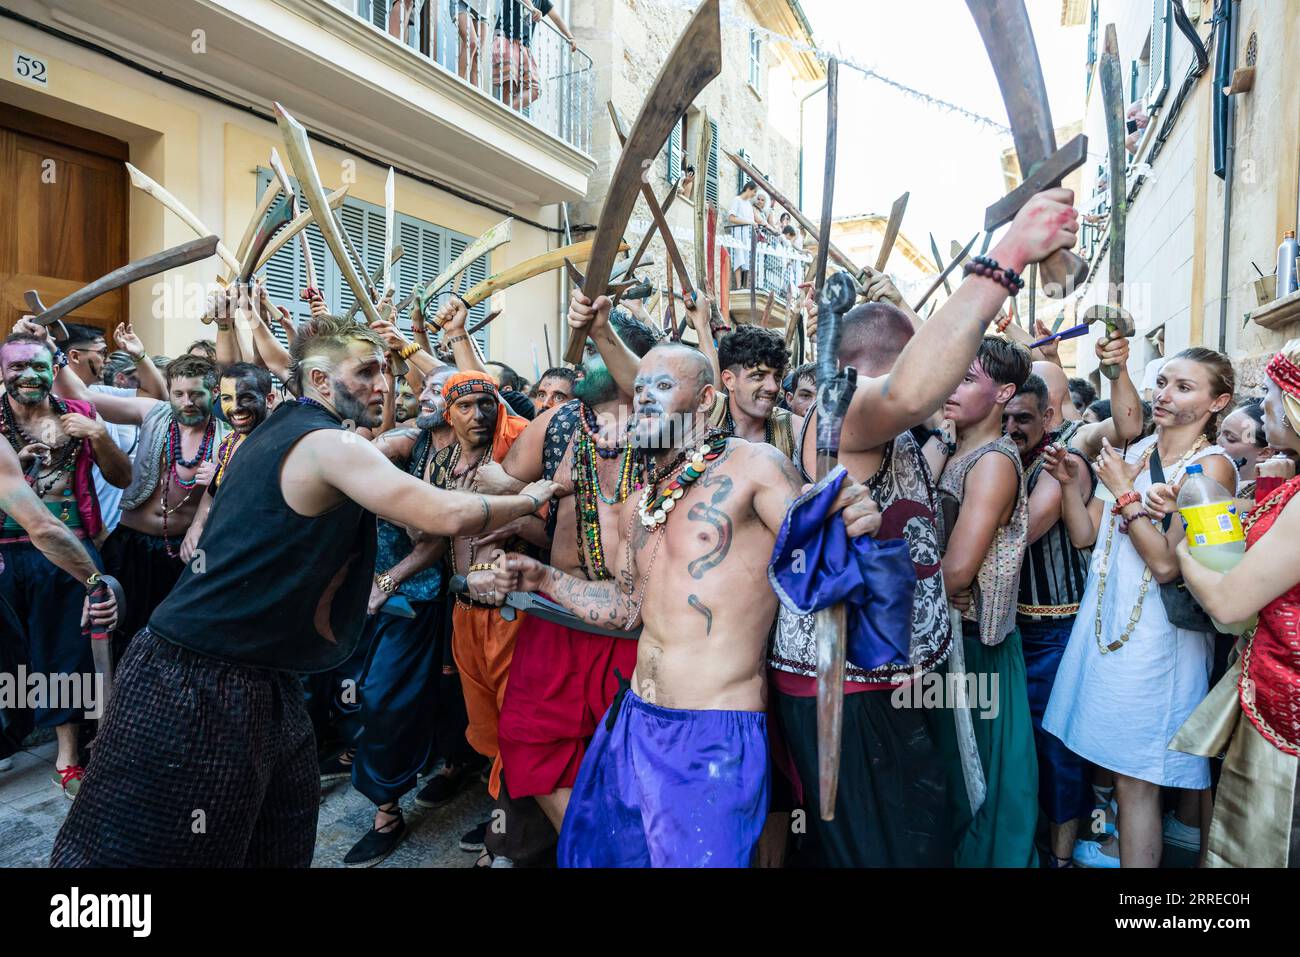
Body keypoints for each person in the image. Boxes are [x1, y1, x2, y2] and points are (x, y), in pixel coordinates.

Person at [50, 315, 559, 867]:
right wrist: (535, 495)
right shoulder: (324, 444)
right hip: (197, 674)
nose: (383, 385)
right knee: (159, 851)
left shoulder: (285, 427)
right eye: (365, 373)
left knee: (278, 831)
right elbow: (448, 511)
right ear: (319, 382)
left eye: (385, 371)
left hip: (262, 674)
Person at [493, 302, 883, 867]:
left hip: (713, 735)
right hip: (634, 720)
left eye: (661, 385)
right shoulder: (647, 494)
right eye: (639, 386)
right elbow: (626, 608)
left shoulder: (754, 466)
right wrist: (541, 576)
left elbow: (823, 559)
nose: (642, 395)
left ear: (705, 400)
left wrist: (852, 521)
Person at [1043, 348, 1238, 868]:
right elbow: (1085, 535)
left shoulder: (1211, 465)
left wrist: (1126, 493)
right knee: (1114, 763)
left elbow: (1169, 566)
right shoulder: (1139, 446)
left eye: (1184, 387)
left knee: (1137, 778)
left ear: (1218, 402)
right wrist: (1067, 483)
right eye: (1164, 382)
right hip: (1108, 623)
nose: (1165, 395)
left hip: (1159, 640)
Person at [486, 311, 656, 862]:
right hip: (557, 614)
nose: (582, 360)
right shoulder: (560, 421)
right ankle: (591, 849)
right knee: (529, 741)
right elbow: (499, 480)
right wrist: (516, 515)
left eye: (596, 351)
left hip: (637, 627)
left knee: (632, 759)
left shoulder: (670, 428)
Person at [1003, 343, 1141, 868]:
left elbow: (1127, 425)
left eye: (1024, 415)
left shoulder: (1069, 448)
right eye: (1005, 414)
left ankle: (1061, 857)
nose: (1013, 425)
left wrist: (1116, 368)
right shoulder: (989, 451)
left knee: (1058, 751)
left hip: (1058, 630)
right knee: (1019, 750)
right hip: (1006, 632)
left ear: (1050, 413)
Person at [1168, 339, 1300, 867]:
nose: (1263, 404)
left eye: (1270, 392)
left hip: (1287, 714)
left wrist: (1183, 547)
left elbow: (1227, 604)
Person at [0, 330, 131, 798]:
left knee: (67, 655)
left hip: (69, 551)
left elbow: (123, 478)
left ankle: (68, 758)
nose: (29, 375)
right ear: (3, 372)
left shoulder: (77, 415)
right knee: (10, 656)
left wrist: (98, 435)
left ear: (54, 367)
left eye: (38, 365)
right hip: (6, 553)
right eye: (17, 366)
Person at [927, 336, 1039, 868]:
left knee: (980, 784)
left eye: (966, 378)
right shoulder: (955, 450)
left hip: (976, 648)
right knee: (953, 778)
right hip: (948, 640)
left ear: (1005, 393)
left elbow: (956, 571)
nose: (950, 386)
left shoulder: (993, 462)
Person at [52, 348, 231, 658]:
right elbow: (82, 396)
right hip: (129, 546)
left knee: (174, 642)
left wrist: (221, 478)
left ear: (214, 392)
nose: (186, 402)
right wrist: (55, 352)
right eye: (179, 393)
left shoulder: (228, 440)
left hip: (181, 554)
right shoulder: (153, 412)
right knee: (114, 631)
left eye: (196, 394)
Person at [177, 362, 276, 562]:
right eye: (227, 398)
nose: (236, 408)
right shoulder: (228, 443)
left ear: (270, 399)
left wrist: (228, 478)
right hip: (223, 548)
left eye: (246, 398)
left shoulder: (278, 442)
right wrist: (196, 526)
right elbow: (212, 491)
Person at [709, 324, 799, 457]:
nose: (773, 387)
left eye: (777, 377)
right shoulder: (702, 417)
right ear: (729, 380)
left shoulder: (794, 430)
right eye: (758, 376)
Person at [493, 0, 577, 111]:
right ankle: (503, 115)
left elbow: (556, 17)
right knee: (509, 83)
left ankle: (506, 112)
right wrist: (532, 8)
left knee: (535, 89)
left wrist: (570, 37)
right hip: (505, 38)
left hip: (524, 46)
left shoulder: (541, 1)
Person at [1217, 399, 1268, 501]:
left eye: (1230, 438)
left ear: (1264, 453)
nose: (1218, 441)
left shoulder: (1269, 498)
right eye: (1219, 433)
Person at [450, 0, 491, 86]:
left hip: (483, 8)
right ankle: (457, 89)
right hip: (462, 2)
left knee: (478, 56)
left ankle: (477, 98)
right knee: (472, 43)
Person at [727, 181, 759, 289]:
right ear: (749, 189)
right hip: (738, 233)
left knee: (746, 259)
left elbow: (753, 220)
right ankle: (738, 285)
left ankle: (745, 286)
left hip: (747, 235)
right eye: (754, 192)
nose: (754, 195)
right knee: (738, 258)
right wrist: (748, 222)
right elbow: (731, 218)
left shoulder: (748, 205)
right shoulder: (737, 200)